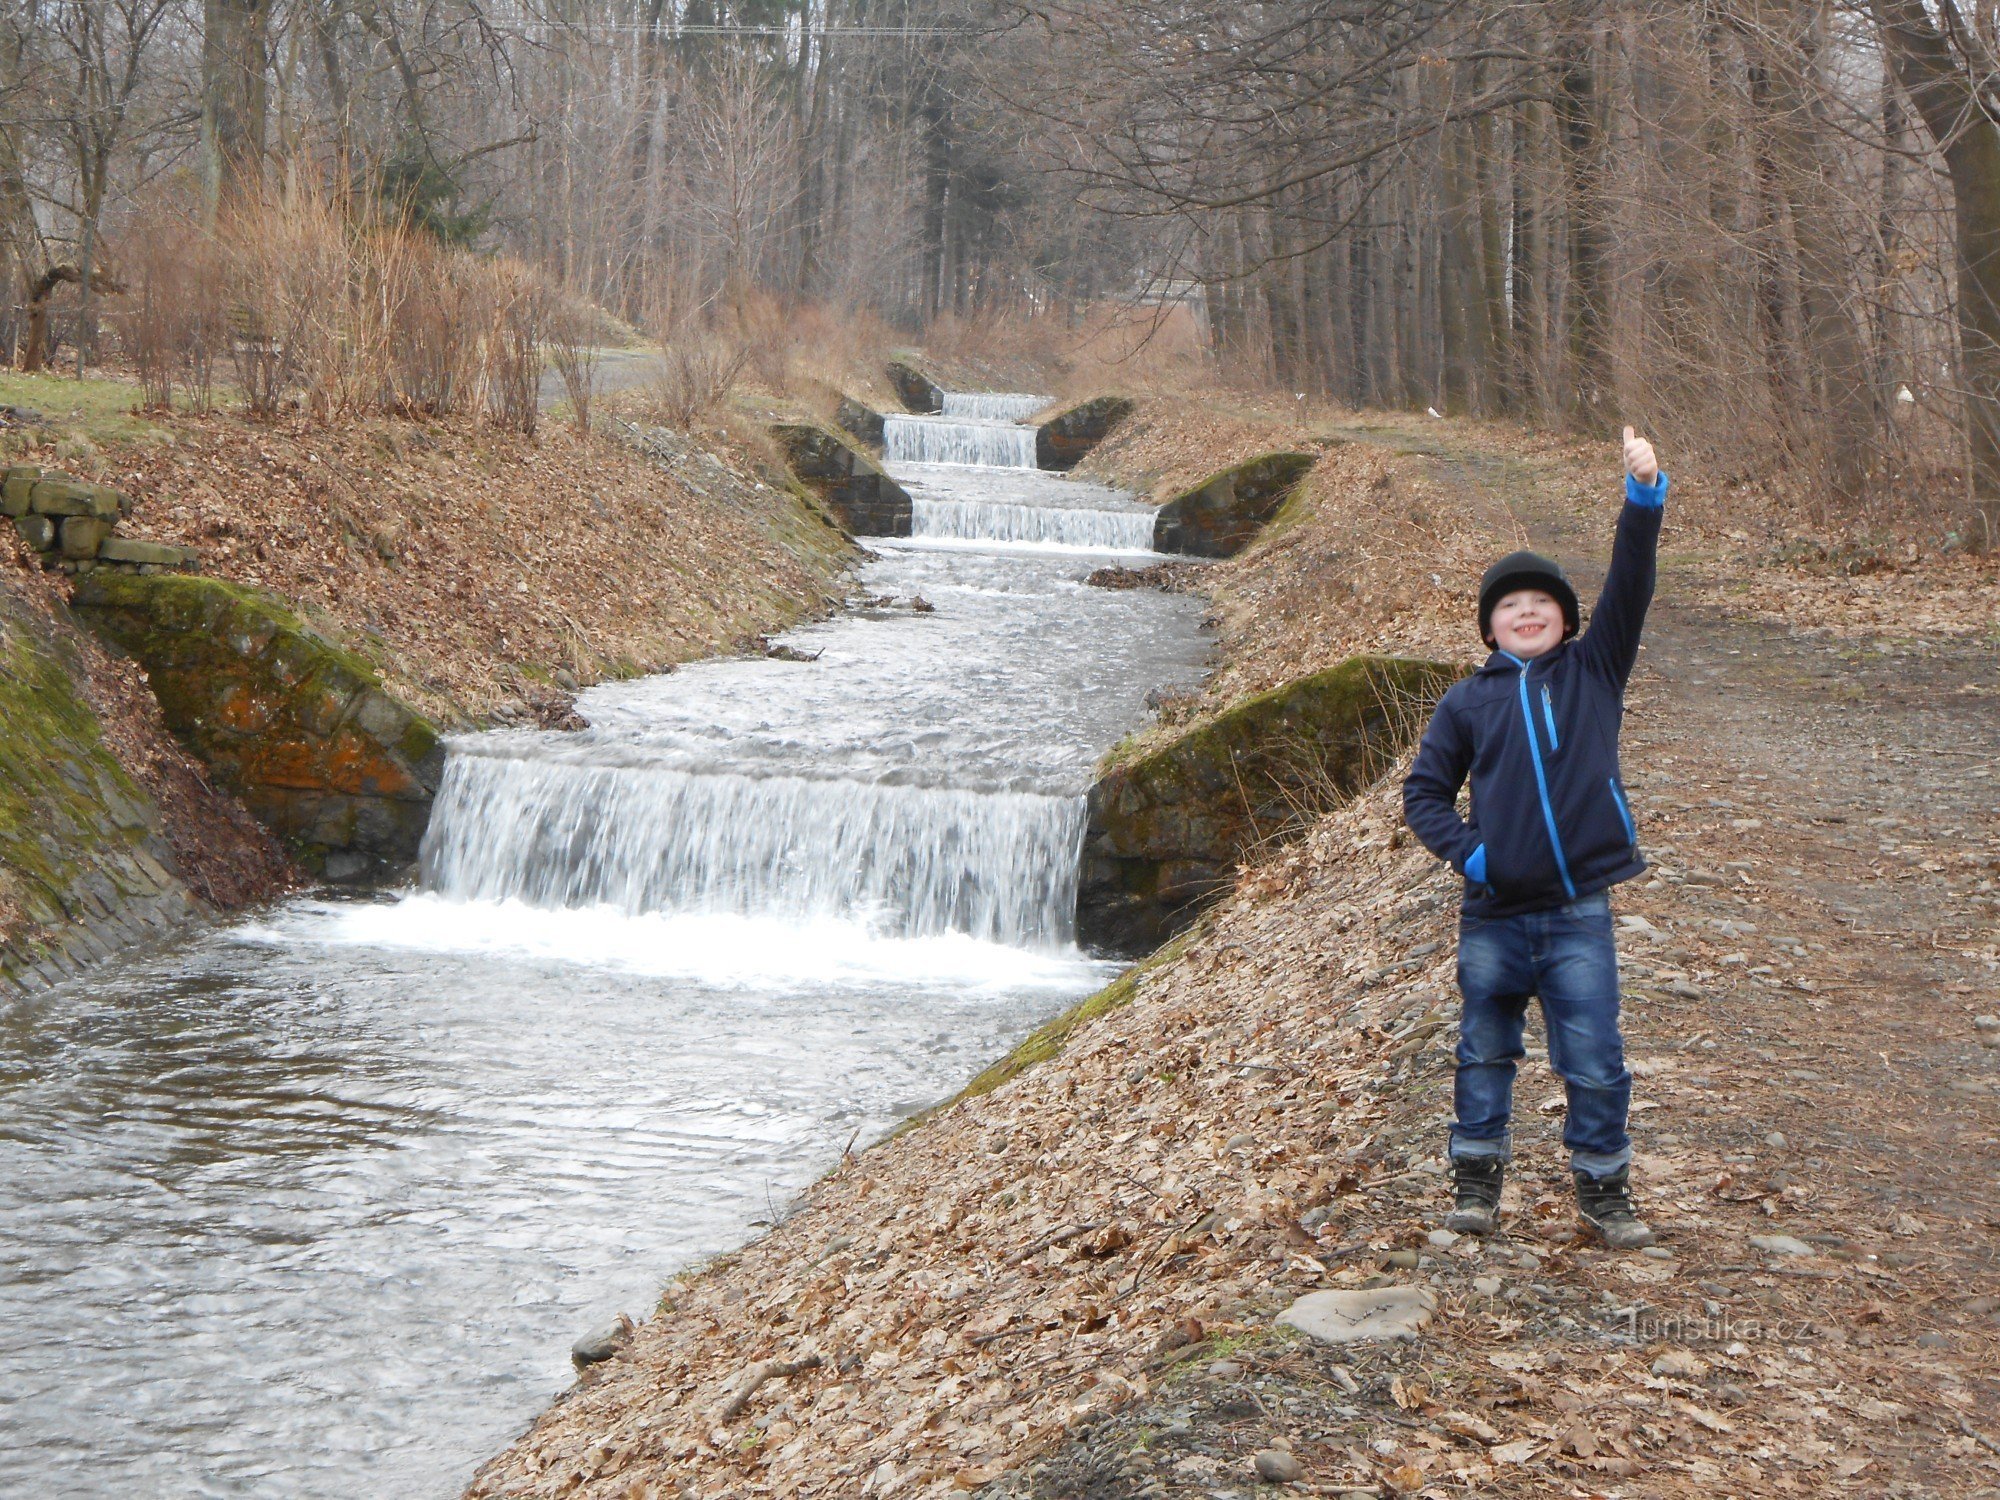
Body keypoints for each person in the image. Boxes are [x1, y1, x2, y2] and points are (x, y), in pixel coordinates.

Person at [1401, 427, 1667, 1250]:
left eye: (1542, 604)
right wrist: (1475, 854)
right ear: (1490, 630)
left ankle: (1603, 1189)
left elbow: (1631, 582)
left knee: (1594, 1059)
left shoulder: (1594, 669)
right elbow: (1424, 794)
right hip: (1492, 915)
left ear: (1565, 622)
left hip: (1577, 911)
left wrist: (1644, 494)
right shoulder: (1466, 703)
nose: (1526, 613)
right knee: (1484, 1052)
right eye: (1510, 607)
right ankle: (1475, 1185)